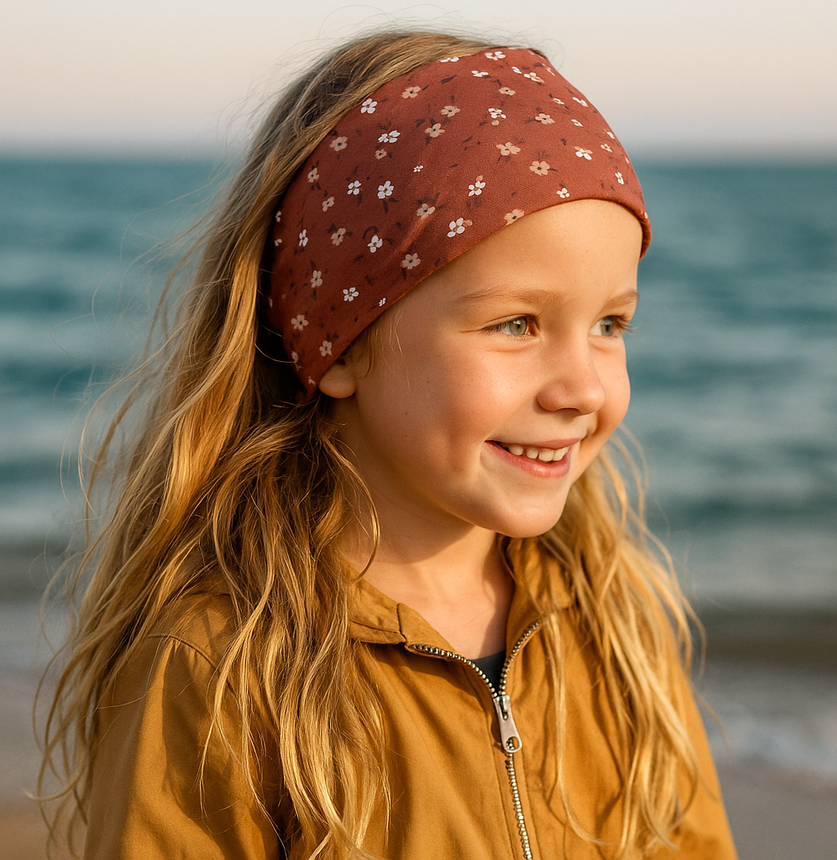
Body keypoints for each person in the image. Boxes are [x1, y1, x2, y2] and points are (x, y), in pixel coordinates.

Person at [41, 30, 737, 860]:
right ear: (339, 342)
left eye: (610, 325)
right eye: (517, 324)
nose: (583, 389)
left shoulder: (610, 624)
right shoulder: (224, 668)